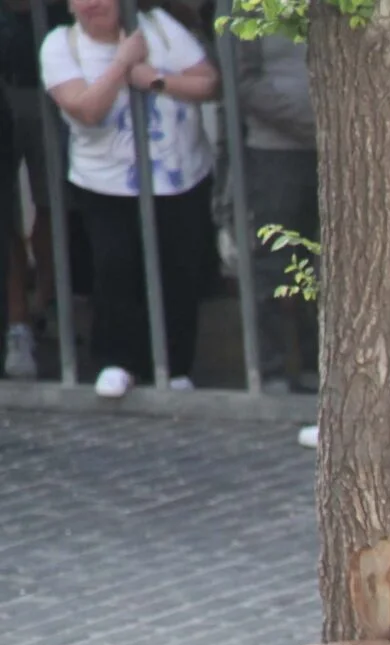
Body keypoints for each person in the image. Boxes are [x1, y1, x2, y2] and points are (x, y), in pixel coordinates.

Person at [40, 0, 216, 398]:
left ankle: (176, 367)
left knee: (179, 272)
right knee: (115, 270)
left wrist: (154, 79)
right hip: (105, 181)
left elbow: (208, 83)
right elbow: (86, 109)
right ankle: (118, 362)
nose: (93, 4)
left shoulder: (159, 26)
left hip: (178, 176)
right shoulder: (59, 44)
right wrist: (121, 65)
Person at [232, 27, 317, 391]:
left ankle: (322, 364)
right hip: (274, 152)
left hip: (339, 150)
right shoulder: (255, 7)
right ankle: (273, 368)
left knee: (332, 264)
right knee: (274, 262)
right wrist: (313, 126)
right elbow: (244, 81)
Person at [2, 0, 64, 382]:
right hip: (7, 84)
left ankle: (46, 302)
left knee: (53, 202)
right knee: (6, 217)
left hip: (52, 88)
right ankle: (18, 324)